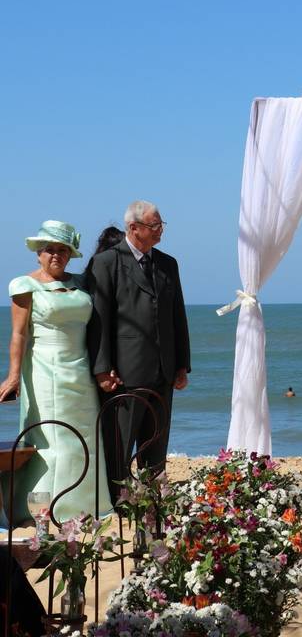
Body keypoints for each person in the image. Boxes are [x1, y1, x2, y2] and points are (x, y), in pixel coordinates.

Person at [0, 221, 111, 523]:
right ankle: (44, 510)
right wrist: (12, 375)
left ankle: (86, 506)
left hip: (81, 370)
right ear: (38, 253)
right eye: (50, 250)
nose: (56, 255)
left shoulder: (82, 283)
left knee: (83, 438)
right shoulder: (24, 285)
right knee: (52, 440)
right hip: (44, 372)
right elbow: (19, 335)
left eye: (63, 250)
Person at [86, 200, 190, 503]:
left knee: (156, 443)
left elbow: (177, 316)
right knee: (120, 444)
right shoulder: (106, 262)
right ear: (134, 228)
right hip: (124, 374)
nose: (160, 231)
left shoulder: (168, 264)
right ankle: (118, 504)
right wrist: (102, 368)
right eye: (154, 226)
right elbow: (99, 319)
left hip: (163, 371)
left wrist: (182, 364)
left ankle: (152, 502)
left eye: (161, 225)